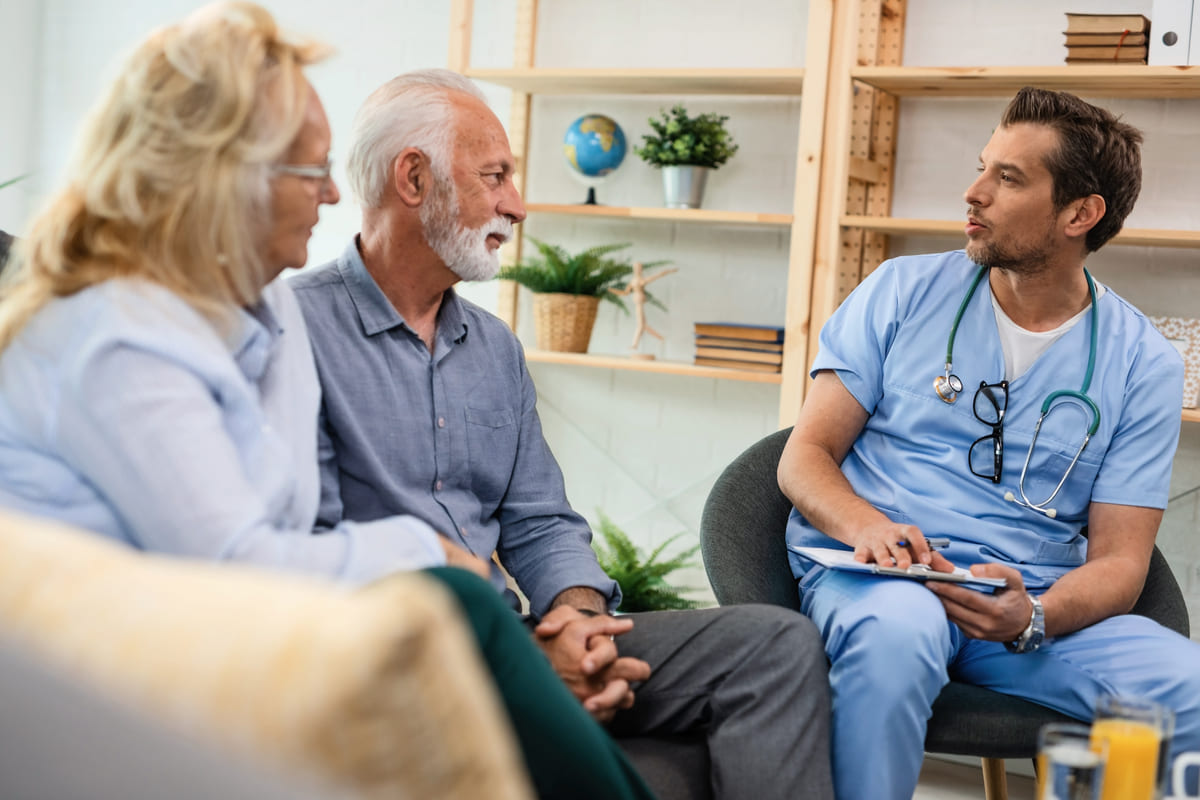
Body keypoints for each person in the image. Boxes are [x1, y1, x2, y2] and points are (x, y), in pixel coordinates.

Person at [0, 5, 659, 798]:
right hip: (121, 673)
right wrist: (430, 551)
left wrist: (565, 614)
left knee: (464, 615)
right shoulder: (117, 337)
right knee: (455, 602)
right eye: (311, 172)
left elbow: (292, 523)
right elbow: (232, 566)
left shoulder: (262, 310)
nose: (334, 192)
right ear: (228, 178)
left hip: (250, 632)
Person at [289, 68, 834, 800]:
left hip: (521, 638)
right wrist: (520, 662)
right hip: (403, 655)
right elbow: (311, 550)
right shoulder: (292, 333)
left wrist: (579, 624)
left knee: (776, 647)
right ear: (413, 178)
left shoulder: (494, 348)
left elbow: (540, 521)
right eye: (495, 177)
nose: (516, 204)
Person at [779, 86, 1200, 799]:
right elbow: (805, 456)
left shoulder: (1144, 363)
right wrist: (869, 528)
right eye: (983, 167)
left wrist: (1035, 615)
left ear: (1080, 214)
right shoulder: (900, 291)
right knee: (895, 643)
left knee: (1188, 690)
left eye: (1008, 177)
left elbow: (1121, 561)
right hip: (884, 577)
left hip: (1026, 602)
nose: (973, 193)